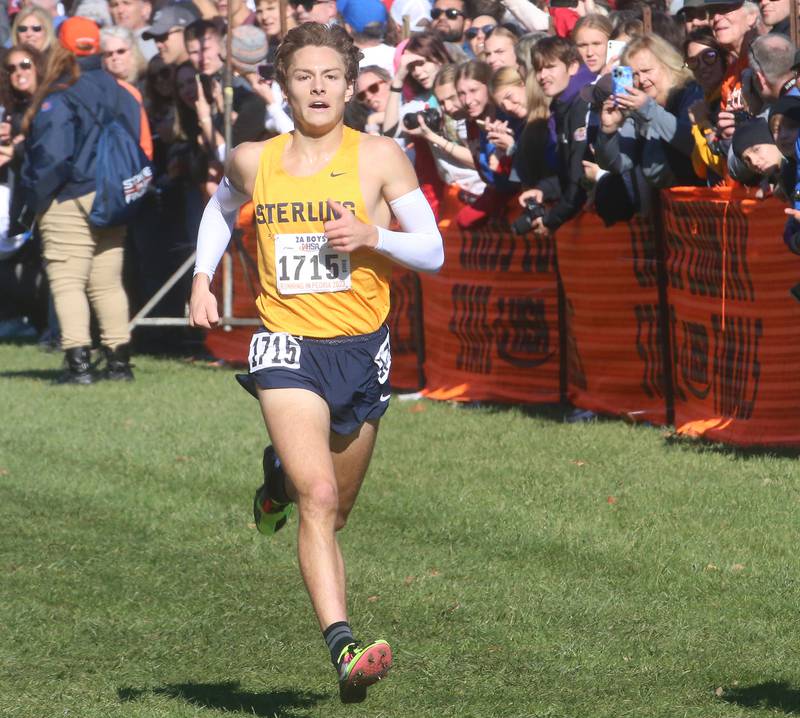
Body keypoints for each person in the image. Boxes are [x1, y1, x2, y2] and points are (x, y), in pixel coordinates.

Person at [188, 21, 443, 704]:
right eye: (304, 76)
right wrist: (201, 277)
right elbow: (220, 208)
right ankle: (344, 645)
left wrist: (372, 234)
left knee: (337, 509)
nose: (319, 87)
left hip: (361, 349)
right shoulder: (253, 159)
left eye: (331, 75)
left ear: (351, 83)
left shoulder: (380, 157)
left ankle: (275, 483)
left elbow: (434, 251)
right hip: (286, 346)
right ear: (284, 85)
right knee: (319, 498)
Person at [21, 18, 151, 383]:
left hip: (69, 196)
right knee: (107, 282)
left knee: (67, 280)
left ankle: (78, 363)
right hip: (113, 196)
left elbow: (53, 155)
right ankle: (118, 361)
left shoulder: (62, 92)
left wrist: (33, 198)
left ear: (59, 47)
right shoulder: (120, 89)